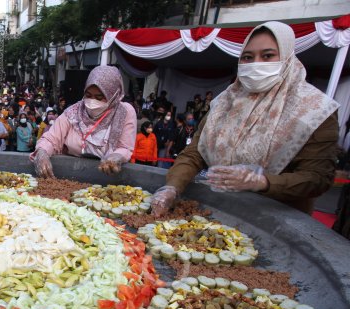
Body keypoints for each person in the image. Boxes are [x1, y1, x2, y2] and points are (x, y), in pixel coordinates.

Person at [152, 22, 339, 216]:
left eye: (267, 56)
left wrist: (261, 182)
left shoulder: (315, 110)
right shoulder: (224, 103)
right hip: (219, 210)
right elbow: (194, 153)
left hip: (277, 219)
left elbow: (317, 178)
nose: (255, 64)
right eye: (248, 57)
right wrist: (172, 187)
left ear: (287, 57)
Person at [32, 65, 137, 178]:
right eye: (88, 95)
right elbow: (51, 138)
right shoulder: (74, 112)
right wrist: (42, 153)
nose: (92, 101)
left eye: (99, 97)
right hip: (72, 172)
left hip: (109, 176)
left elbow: (125, 147)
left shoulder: (124, 112)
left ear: (113, 96)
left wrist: (116, 156)